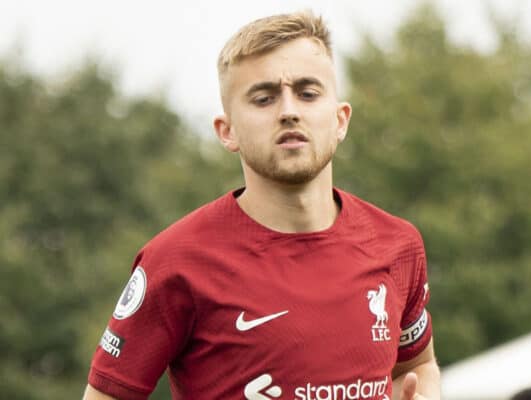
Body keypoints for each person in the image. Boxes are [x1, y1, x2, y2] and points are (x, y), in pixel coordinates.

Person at [83, 10, 440, 400]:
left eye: (307, 92)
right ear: (227, 130)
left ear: (341, 120)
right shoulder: (175, 262)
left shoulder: (398, 244)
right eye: (264, 98)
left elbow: (416, 365)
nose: (289, 111)